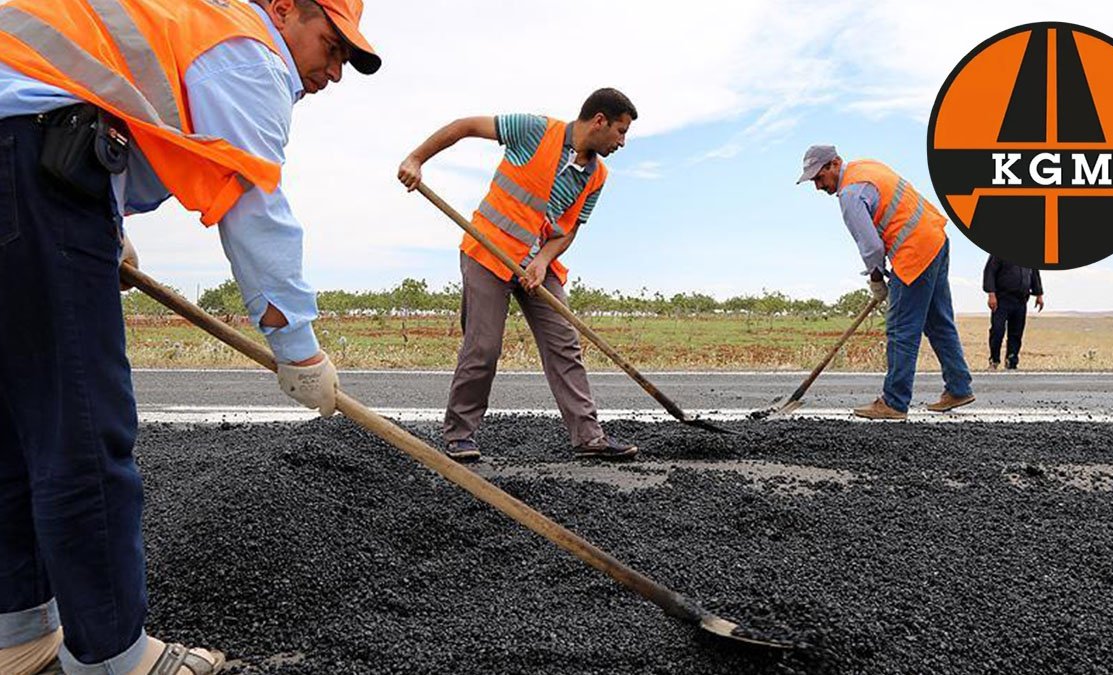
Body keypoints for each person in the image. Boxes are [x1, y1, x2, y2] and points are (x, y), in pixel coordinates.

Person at [0, 1, 380, 673]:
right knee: (82, 425)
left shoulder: (185, 22)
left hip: (22, 149)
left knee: (15, 416)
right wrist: (298, 348)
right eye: (333, 43)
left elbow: (68, 93)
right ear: (286, 9)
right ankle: (115, 654)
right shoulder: (248, 50)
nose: (336, 69)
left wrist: (102, 221)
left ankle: (19, 631)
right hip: (30, 152)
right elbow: (256, 206)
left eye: (349, 58)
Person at [397, 89, 641, 462]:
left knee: (565, 343)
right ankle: (459, 435)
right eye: (621, 131)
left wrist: (542, 260)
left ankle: (589, 438)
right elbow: (465, 127)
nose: (622, 142)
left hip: (537, 265)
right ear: (599, 121)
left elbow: (570, 228)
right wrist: (416, 159)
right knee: (483, 346)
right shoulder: (533, 130)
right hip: (488, 251)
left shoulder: (597, 175)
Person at [796, 145, 975, 420]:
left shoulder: (850, 194)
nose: (818, 187)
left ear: (834, 164)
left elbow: (870, 246)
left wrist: (876, 279)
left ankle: (894, 401)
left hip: (914, 251)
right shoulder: (866, 166)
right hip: (935, 240)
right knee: (939, 322)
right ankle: (959, 388)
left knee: (901, 328)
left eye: (819, 178)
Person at [983, 254, 1044, 370]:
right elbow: (989, 272)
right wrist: (991, 294)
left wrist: (1039, 294)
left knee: (1016, 333)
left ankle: (1012, 361)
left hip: (1021, 299)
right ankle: (994, 360)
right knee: (997, 330)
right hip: (1002, 299)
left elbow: (1035, 274)